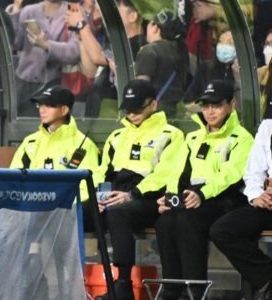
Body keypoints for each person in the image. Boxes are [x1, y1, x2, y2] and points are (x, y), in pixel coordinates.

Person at [153, 79, 252, 299]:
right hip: (193, 197)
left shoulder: (242, 138)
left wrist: (202, 193)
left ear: (231, 105)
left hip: (225, 199)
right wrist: (169, 197)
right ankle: (172, 287)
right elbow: (177, 171)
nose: (210, 111)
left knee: (188, 219)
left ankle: (195, 290)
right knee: (165, 221)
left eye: (216, 106)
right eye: (206, 106)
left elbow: (231, 176)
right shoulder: (193, 137)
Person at [97, 79, 186, 300]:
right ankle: (78, 281)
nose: (132, 113)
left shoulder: (171, 134)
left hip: (149, 200)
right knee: (82, 212)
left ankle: (124, 283)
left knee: (118, 213)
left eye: (137, 108)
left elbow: (165, 173)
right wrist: (99, 196)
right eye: (128, 109)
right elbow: (103, 172)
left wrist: (132, 194)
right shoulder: (117, 136)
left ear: (153, 105)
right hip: (115, 195)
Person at [210, 119, 272, 300]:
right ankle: (266, 278)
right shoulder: (267, 126)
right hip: (267, 201)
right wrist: (256, 196)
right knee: (223, 230)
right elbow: (254, 172)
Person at [8, 0, 81, 116]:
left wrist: (46, 45)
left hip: (56, 83)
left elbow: (74, 51)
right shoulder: (29, 11)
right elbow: (16, 43)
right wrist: (15, 10)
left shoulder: (72, 11)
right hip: (24, 83)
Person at [9, 85, 100, 203]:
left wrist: (60, 203)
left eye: (48, 105)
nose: (42, 109)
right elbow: (13, 179)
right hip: (30, 207)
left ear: (64, 110)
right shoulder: (30, 142)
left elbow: (88, 187)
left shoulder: (85, 145)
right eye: (40, 105)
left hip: (66, 212)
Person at [135, 10, 189, 118]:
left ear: (155, 28)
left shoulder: (149, 50)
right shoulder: (181, 51)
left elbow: (141, 87)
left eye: (149, 24)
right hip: (177, 112)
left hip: (155, 113)